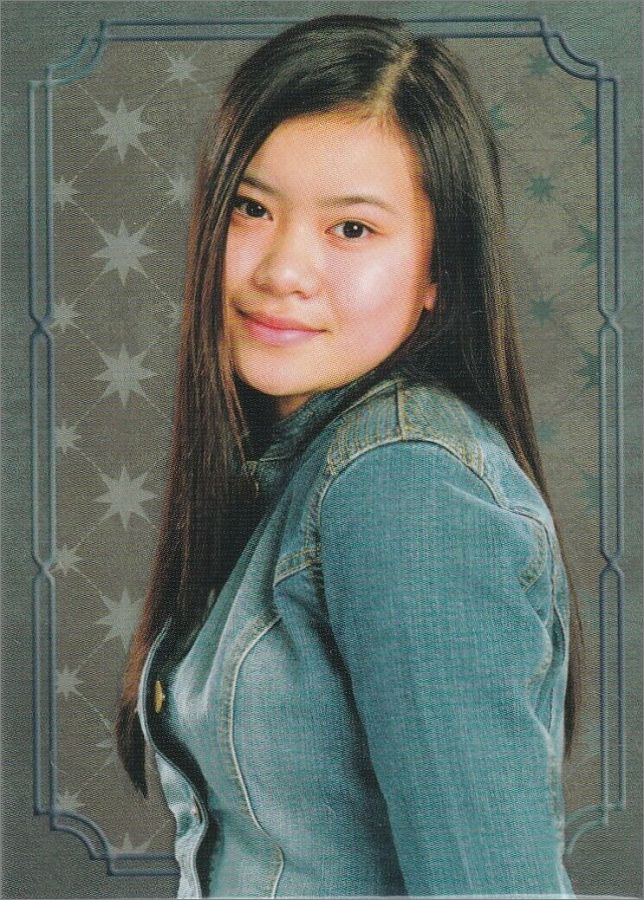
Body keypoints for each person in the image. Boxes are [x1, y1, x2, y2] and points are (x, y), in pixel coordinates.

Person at [116, 13, 583, 898]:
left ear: (439, 271)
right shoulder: (306, 466)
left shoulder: (404, 488)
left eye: (353, 230)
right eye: (252, 208)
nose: (282, 269)